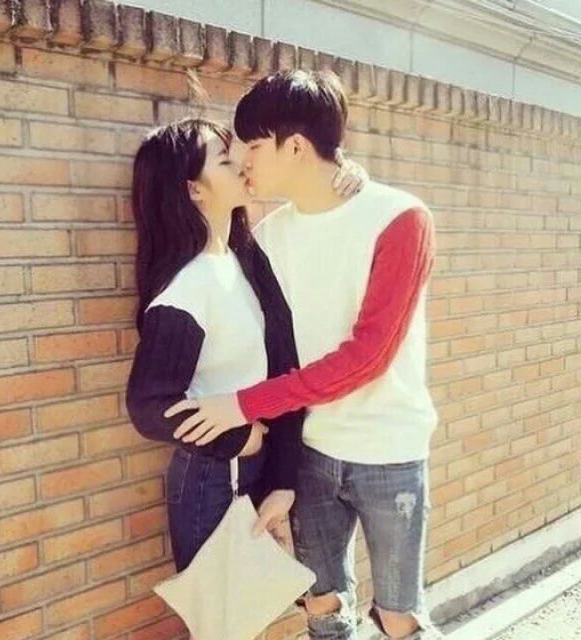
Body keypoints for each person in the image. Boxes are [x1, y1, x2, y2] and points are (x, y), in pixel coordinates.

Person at [166, 71, 444, 640]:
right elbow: (274, 352)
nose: (243, 159)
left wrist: (242, 404)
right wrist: (281, 473)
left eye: (253, 145)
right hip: (311, 453)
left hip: (389, 450)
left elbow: (367, 356)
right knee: (322, 608)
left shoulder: (401, 219)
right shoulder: (268, 237)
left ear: (294, 147)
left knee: (399, 619)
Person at [125, 117, 365, 576]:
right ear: (194, 189)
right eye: (223, 159)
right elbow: (148, 406)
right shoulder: (187, 287)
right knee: (220, 612)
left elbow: (284, 369)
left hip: (253, 472)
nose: (240, 164)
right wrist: (239, 436)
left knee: (253, 607)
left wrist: (281, 480)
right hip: (212, 479)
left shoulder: (245, 257)